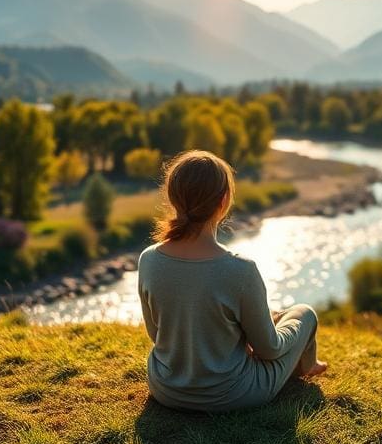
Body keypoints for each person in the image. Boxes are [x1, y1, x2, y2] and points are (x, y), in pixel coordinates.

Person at [137, 149, 327, 412]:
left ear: (172, 197)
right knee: (305, 314)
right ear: (224, 201)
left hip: (166, 389)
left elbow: (156, 335)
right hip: (231, 395)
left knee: (259, 321)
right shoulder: (240, 270)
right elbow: (269, 350)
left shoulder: (148, 260)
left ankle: (296, 354)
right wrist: (278, 338)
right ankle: (307, 365)